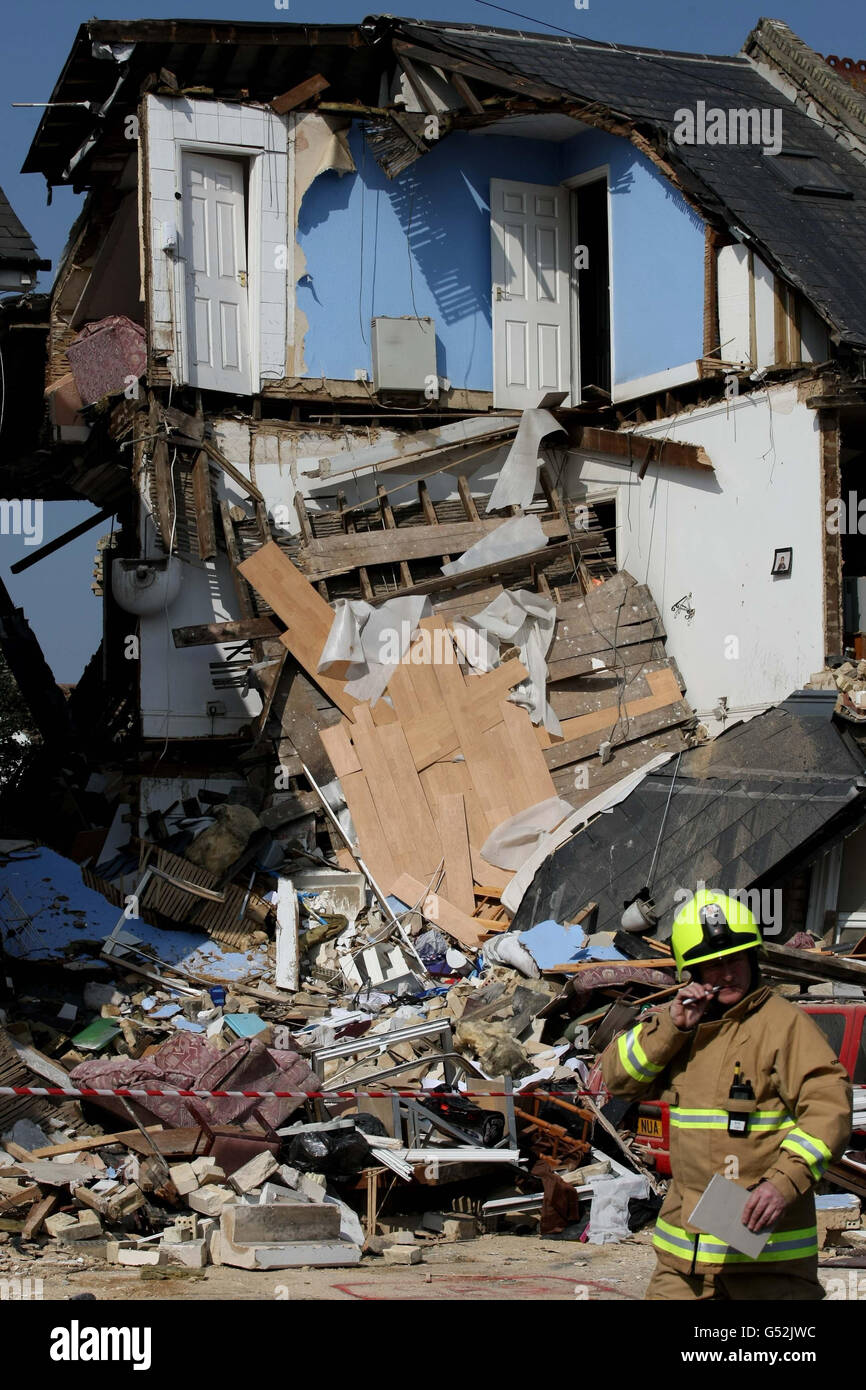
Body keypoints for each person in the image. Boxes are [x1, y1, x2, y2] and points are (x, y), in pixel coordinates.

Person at [601, 889, 852, 1300]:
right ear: (692, 974)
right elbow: (619, 1081)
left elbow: (829, 1110)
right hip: (683, 1264)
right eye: (712, 966)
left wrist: (783, 1183)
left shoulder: (784, 1027)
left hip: (768, 1265)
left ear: (752, 959)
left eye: (734, 960)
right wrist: (673, 1026)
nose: (727, 973)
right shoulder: (682, 1028)